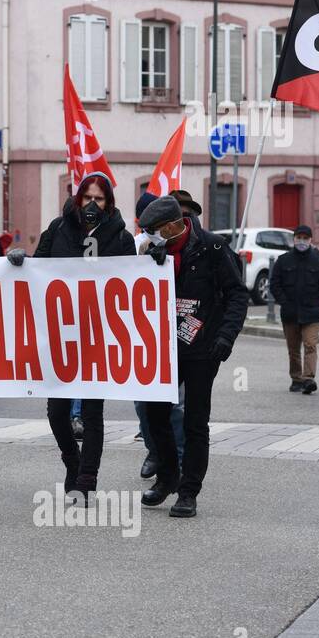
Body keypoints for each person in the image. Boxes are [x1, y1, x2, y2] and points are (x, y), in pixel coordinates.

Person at [8, 172, 135, 500]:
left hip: (99, 334)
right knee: (57, 412)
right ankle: (72, 461)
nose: (93, 203)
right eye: (88, 196)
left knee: (92, 413)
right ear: (79, 198)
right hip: (61, 334)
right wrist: (19, 262)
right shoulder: (59, 228)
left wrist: (156, 262)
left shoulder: (121, 238)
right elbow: (38, 270)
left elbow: (135, 283)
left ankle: (87, 480)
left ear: (109, 203)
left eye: (100, 198)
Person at [137, 194, 249, 518]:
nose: (151, 236)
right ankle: (168, 477)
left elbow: (237, 295)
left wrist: (226, 337)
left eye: (156, 230)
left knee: (195, 421)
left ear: (174, 224)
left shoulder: (212, 248)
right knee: (154, 414)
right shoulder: (156, 254)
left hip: (203, 349)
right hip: (165, 348)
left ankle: (188, 491)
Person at [131, 191, 183, 477]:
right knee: (143, 405)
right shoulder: (138, 246)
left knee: (177, 404)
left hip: (177, 335)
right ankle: (154, 451)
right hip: (145, 336)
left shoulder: (187, 246)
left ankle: (179, 461)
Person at [268, 224, 319, 394]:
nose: (302, 241)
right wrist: (284, 301)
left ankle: (308, 378)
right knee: (293, 349)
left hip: (312, 312)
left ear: (310, 240)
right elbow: (274, 285)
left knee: (310, 344)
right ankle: (296, 378)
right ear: (294, 239)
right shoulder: (283, 260)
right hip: (290, 313)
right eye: (299, 238)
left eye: (305, 238)